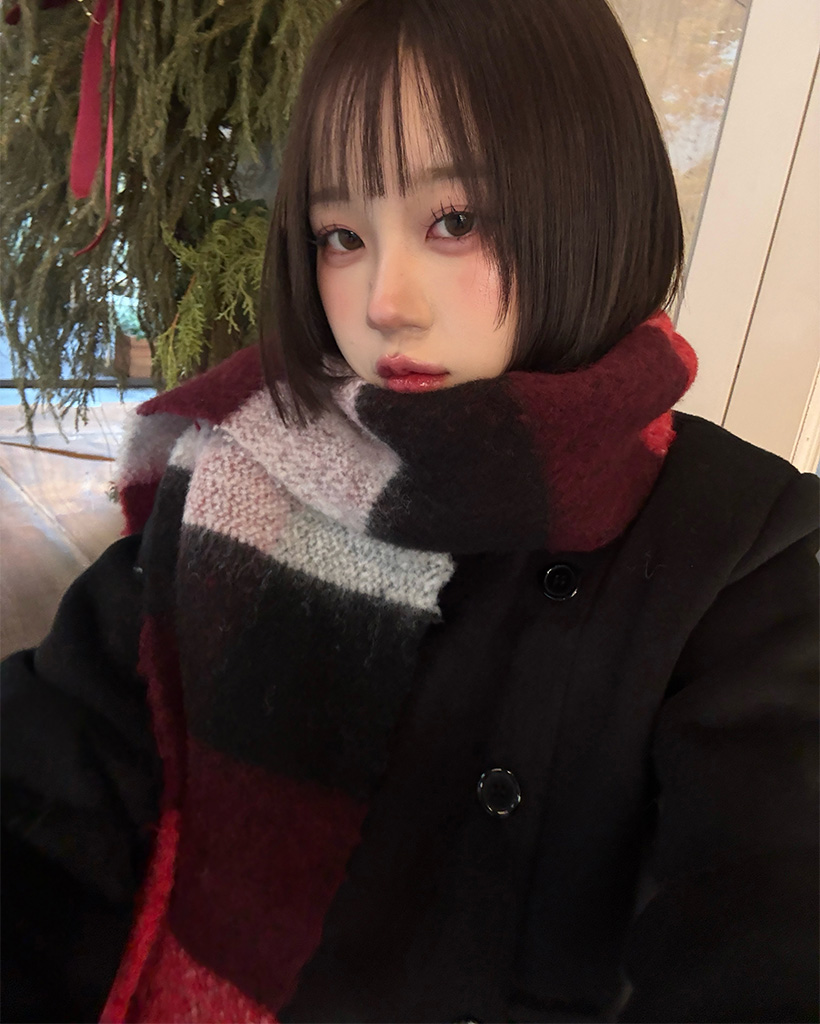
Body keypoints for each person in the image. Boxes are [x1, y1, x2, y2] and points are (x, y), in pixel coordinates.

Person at [2, 0, 818, 1021]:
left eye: (455, 221)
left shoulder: (734, 539)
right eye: (341, 235)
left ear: (590, 198)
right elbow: (48, 792)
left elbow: (768, 906)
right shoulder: (239, 473)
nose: (386, 299)